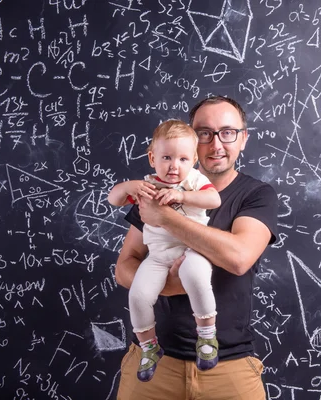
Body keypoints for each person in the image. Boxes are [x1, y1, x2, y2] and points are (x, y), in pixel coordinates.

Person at [115, 96, 278, 400]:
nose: (216, 144)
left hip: (229, 367)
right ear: (190, 139)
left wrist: (165, 216)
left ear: (243, 139)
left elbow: (239, 258)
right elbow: (125, 266)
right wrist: (167, 285)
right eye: (204, 133)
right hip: (152, 368)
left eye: (228, 132)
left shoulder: (256, 195)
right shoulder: (155, 187)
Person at [108, 119, 222, 382]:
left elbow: (213, 199)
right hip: (158, 256)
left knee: (195, 275)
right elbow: (113, 199)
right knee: (138, 294)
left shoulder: (194, 181)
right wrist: (128, 187)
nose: (174, 166)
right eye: (167, 157)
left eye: (183, 159)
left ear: (194, 160)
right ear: (152, 158)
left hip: (193, 249)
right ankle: (149, 347)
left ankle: (206, 337)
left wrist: (182, 197)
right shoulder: (147, 185)